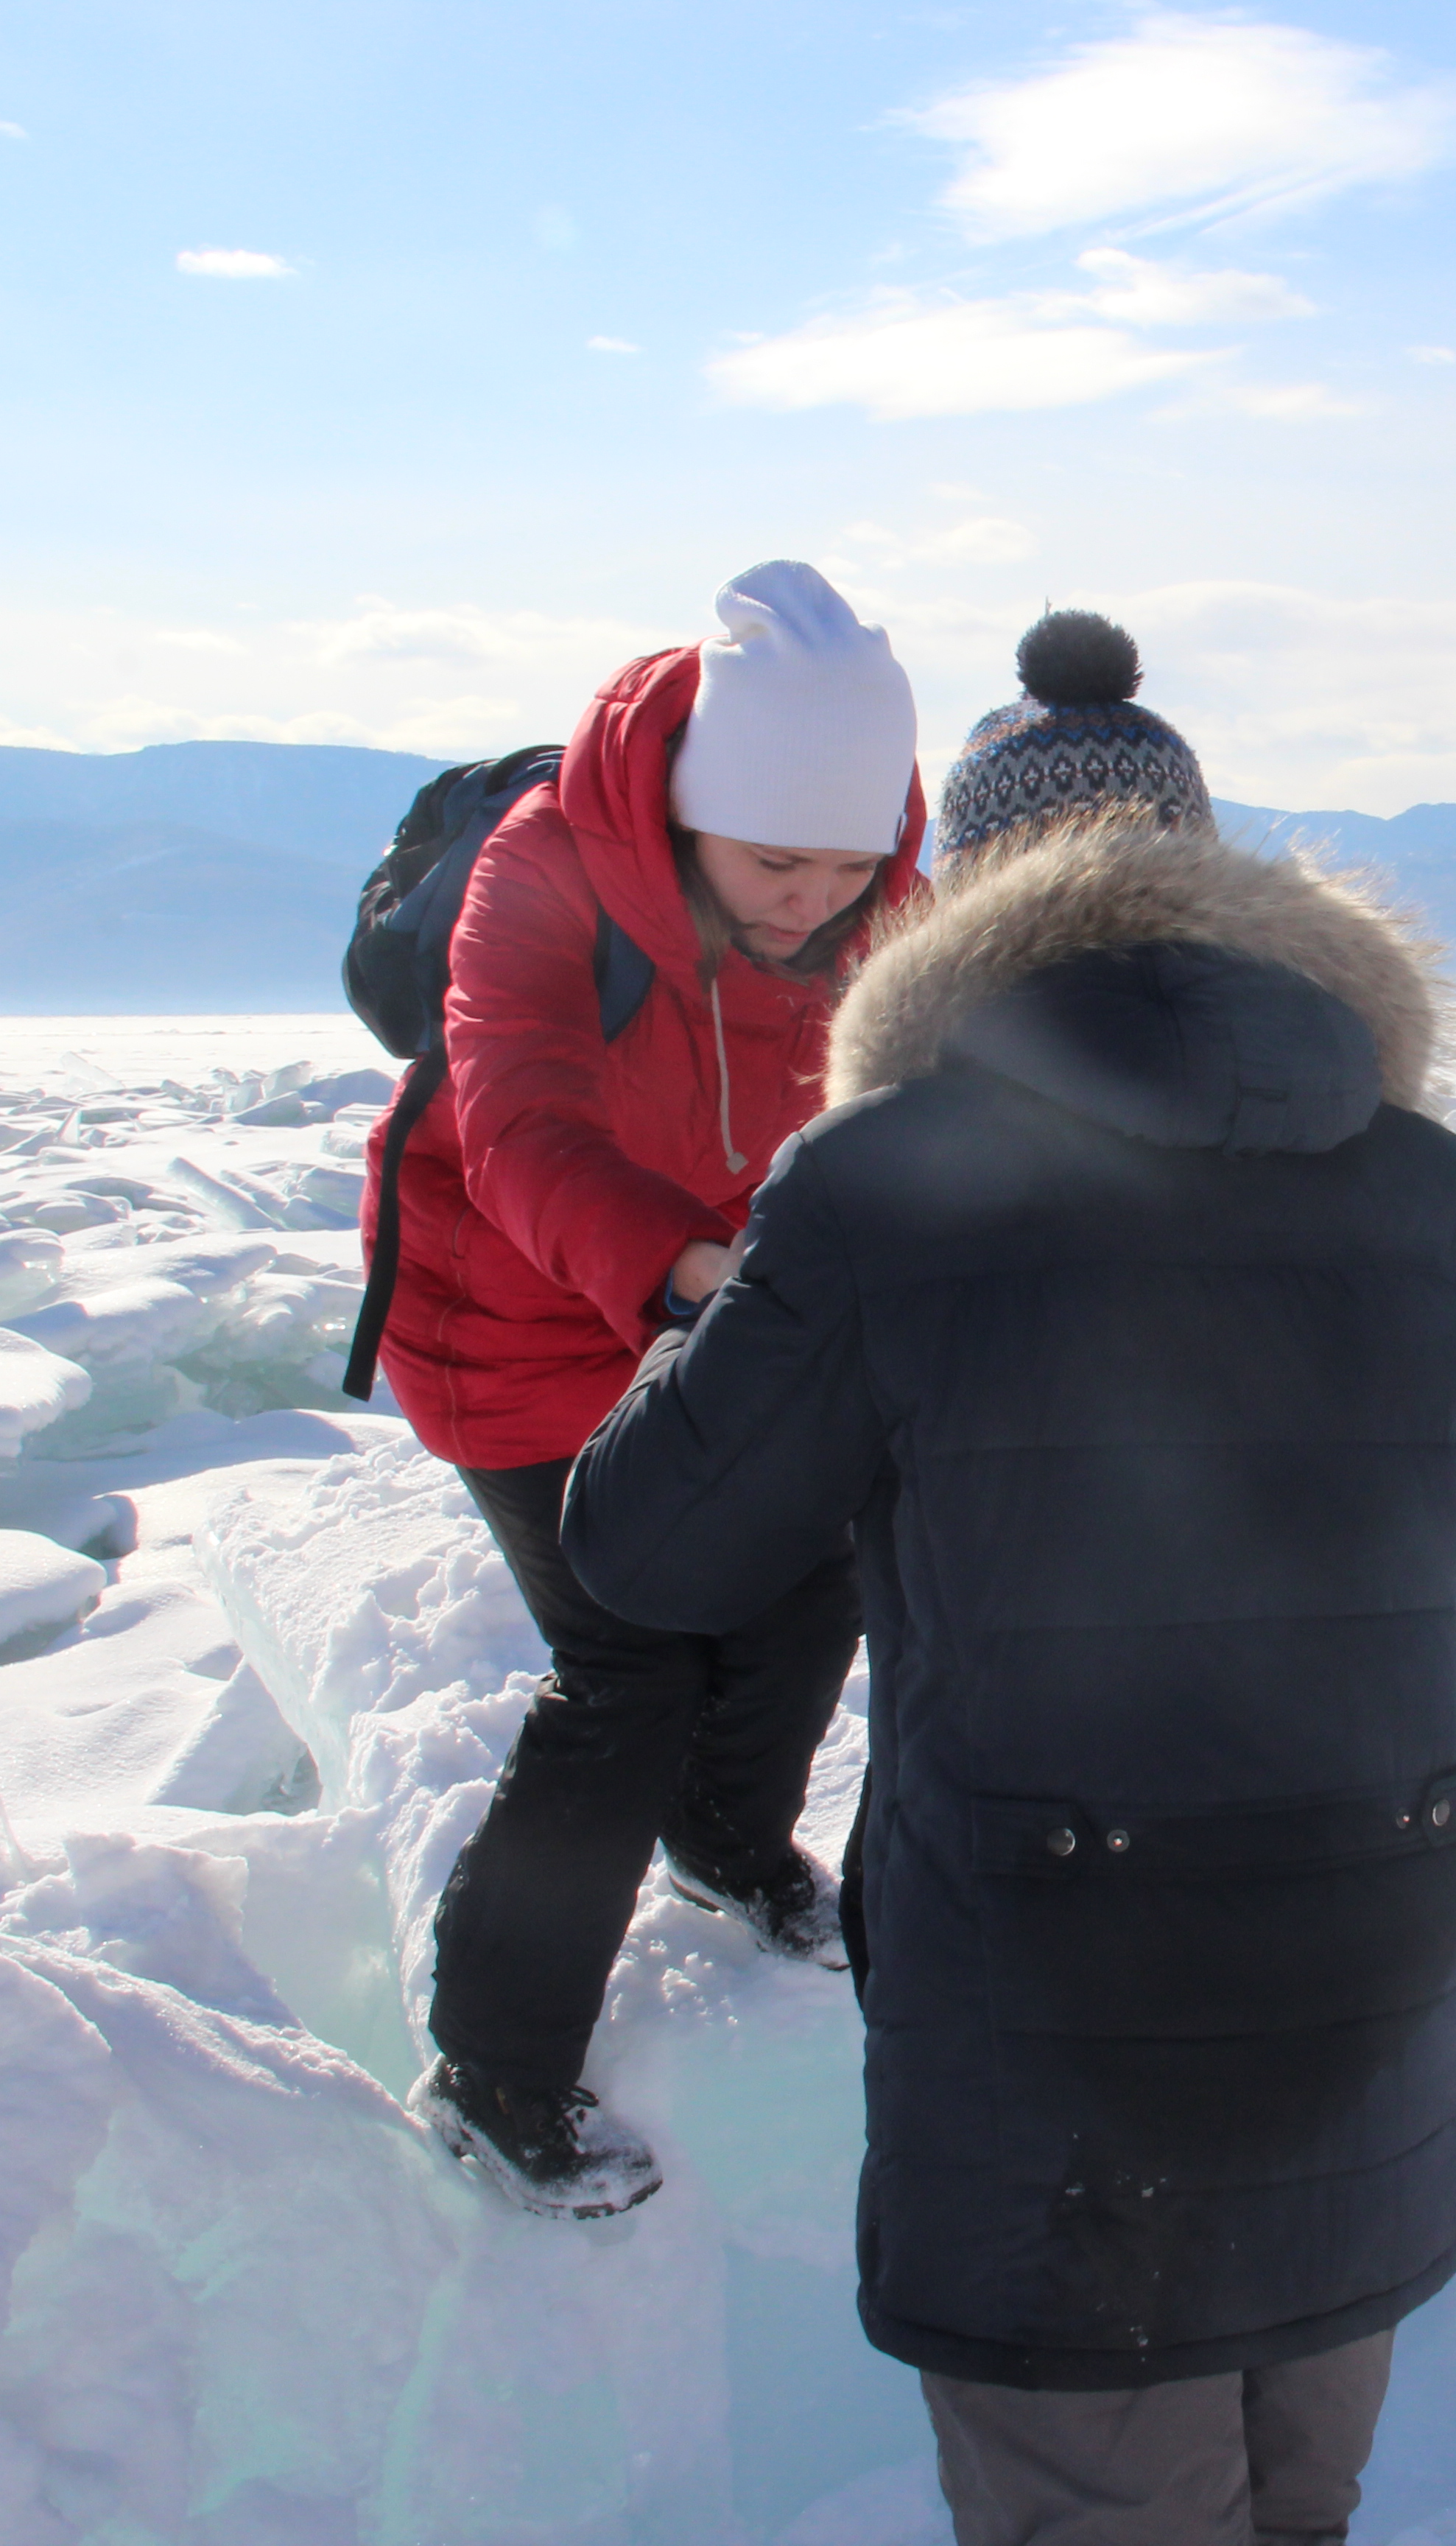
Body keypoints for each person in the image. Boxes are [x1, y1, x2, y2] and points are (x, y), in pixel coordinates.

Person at [562, 610, 1456, 2545]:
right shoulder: (1441, 1190)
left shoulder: (887, 1183)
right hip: (1369, 1949)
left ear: (962, 900)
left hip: (1059, 1991)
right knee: (1300, 2496)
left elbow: (652, 1544)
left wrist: (746, 1320)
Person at [375, 559, 926, 2218]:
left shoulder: (886, 894)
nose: (812, 904)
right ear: (691, 810)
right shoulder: (545, 872)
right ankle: (495, 2066)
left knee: (813, 1578)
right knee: (634, 1666)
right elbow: (520, 1125)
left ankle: (728, 1848)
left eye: (848, 868)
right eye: (774, 864)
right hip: (511, 1318)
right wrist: (693, 1275)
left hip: (723, 1307)